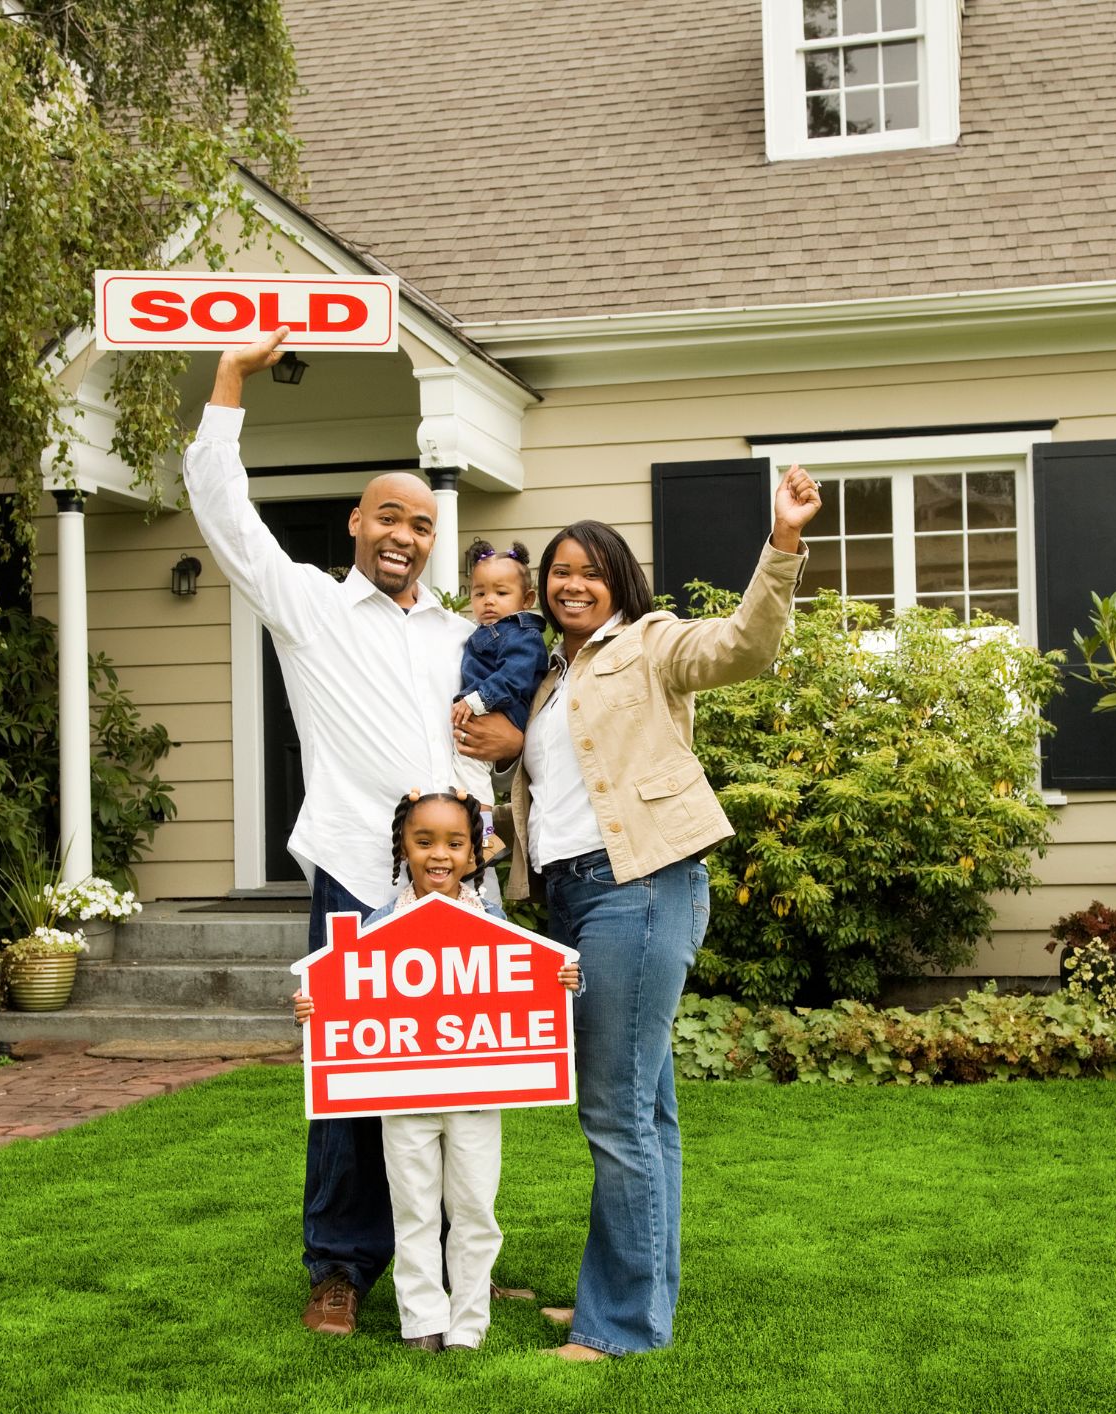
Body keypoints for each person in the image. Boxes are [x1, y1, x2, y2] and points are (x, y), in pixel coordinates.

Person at [182, 330, 527, 1338]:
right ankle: (340, 1263)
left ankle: (460, 1264)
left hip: (464, 886)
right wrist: (231, 379)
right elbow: (223, 512)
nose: (405, 535)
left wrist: (494, 813)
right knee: (352, 1081)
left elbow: (485, 748)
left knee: (466, 1083)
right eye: (389, 516)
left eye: (421, 523)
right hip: (355, 876)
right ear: (355, 522)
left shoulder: (464, 634)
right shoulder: (305, 608)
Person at [506, 472, 821, 1361]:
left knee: (614, 1112)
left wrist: (782, 544)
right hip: (571, 894)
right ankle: (631, 1290)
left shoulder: (650, 643)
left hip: (639, 883)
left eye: (591, 570)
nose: (571, 582)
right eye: (559, 571)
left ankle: (623, 1324)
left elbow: (742, 646)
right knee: (645, 1111)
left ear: (621, 581)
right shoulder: (547, 676)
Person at [294, 789, 582, 1353]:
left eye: (455, 842)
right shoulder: (378, 926)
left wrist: (563, 985)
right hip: (403, 1101)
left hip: (477, 1100)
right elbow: (345, 997)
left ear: (476, 854)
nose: (439, 855)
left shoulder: (495, 925)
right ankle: (421, 1322)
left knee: (475, 1210)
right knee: (414, 1211)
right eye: (423, 841)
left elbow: (531, 993)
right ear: (403, 848)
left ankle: (469, 1325)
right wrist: (314, 1008)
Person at [449, 540, 550, 861]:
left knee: (470, 768)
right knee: (464, 772)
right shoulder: (486, 631)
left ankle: (487, 837)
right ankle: (475, 832)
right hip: (490, 710)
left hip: (503, 713)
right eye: (479, 593)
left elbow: (515, 678)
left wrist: (476, 701)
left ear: (527, 599)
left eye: (501, 593)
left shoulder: (521, 635)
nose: (488, 601)